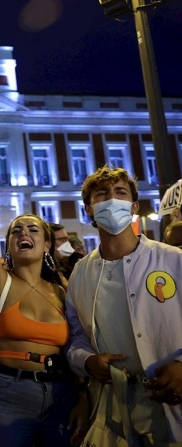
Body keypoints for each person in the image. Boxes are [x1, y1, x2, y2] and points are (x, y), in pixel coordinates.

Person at [0, 138, 89, 446]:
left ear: (48, 244)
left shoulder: (63, 288)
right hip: (5, 398)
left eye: (33, 229)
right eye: (16, 230)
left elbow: (77, 343)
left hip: (60, 396)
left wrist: (81, 396)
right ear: (9, 245)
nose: (24, 233)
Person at [66, 166, 182, 443]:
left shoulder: (173, 260)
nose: (112, 199)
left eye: (120, 193)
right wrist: (87, 361)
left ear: (134, 206)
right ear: (89, 210)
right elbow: (75, 337)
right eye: (102, 195)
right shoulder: (81, 273)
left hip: (173, 403)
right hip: (116, 409)